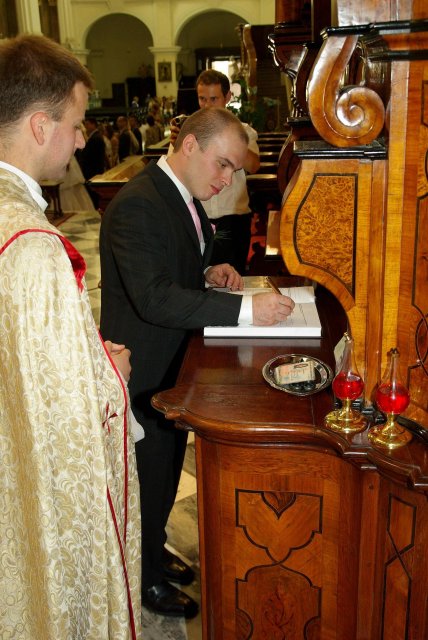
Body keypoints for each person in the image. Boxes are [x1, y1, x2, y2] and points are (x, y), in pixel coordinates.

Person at [99, 107, 294, 619]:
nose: (227, 179)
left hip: (171, 362)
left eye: (234, 169)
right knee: (146, 479)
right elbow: (153, 297)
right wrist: (247, 310)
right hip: (141, 364)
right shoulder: (138, 203)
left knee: (165, 472)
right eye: (222, 164)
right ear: (190, 146)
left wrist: (207, 273)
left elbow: (173, 264)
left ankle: (154, 548)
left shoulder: (179, 193)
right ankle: (142, 578)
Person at [0, 34, 142, 639]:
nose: (83, 139)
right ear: (40, 125)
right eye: (77, 123)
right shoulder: (33, 244)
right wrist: (112, 374)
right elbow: (63, 421)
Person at [170, 69, 260, 274]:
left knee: (235, 278)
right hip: (197, 217)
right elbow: (175, 174)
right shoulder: (188, 133)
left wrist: (228, 138)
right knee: (197, 277)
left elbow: (254, 165)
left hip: (233, 217)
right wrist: (178, 145)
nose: (207, 106)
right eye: (202, 99)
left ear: (227, 97)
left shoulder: (243, 130)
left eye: (213, 99)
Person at [77, 116, 107, 208]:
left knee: (94, 194)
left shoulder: (95, 138)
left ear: (93, 124)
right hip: (94, 169)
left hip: (93, 170)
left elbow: (90, 156)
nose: (86, 126)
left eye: (87, 124)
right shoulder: (95, 136)